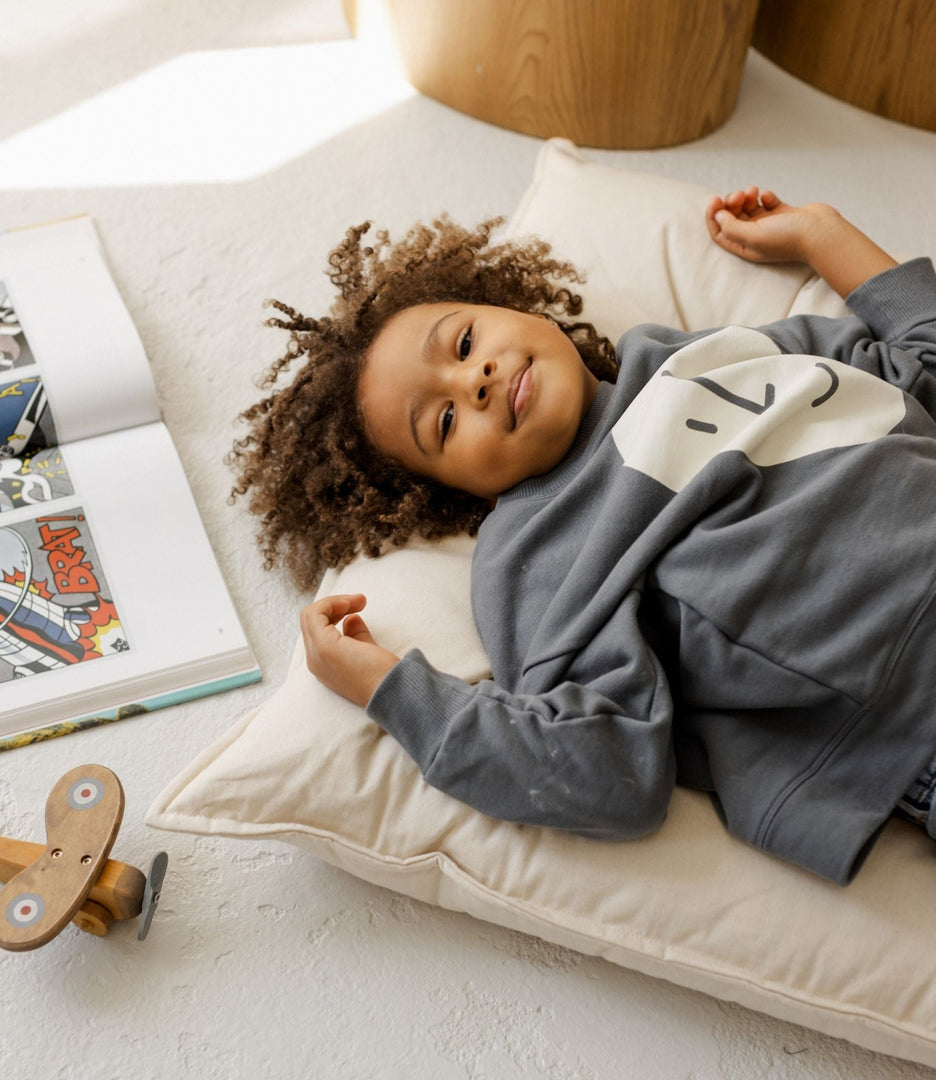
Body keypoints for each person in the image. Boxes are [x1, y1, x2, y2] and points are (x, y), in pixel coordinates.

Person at [230, 188, 936, 883]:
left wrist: (822, 234)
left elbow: (921, 364)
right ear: (453, 489)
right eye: (443, 422)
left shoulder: (705, 354)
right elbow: (609, 767)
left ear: (523, 309)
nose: (475, 380)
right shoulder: (536, 552)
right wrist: (389, 690)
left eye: (466, 342)